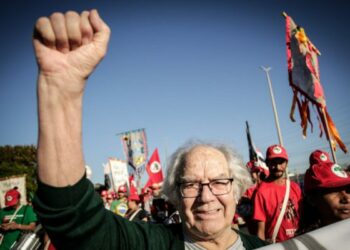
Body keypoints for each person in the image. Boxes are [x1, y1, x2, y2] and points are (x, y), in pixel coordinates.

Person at [32, 10, 267, 249]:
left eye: (218, 182)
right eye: (190, 185)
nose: (205, 197)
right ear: (175, 196)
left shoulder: (267, 247)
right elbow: (74, 220)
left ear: (236, 190)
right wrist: (61, 90)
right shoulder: (150, 244)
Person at [252, 145, 302, 242]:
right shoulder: (261, 191)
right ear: (267, 163)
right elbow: (260, 231)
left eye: (281, 162)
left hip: (299, 241)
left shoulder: (295, 187)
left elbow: (303, 217)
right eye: (273, 163)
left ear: (286, 163)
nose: (278, 167)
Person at [299, 150, 350, 233]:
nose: (347, 198)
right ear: (312, 199)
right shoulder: (303, 244)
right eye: (334, 191)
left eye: (348, 189)